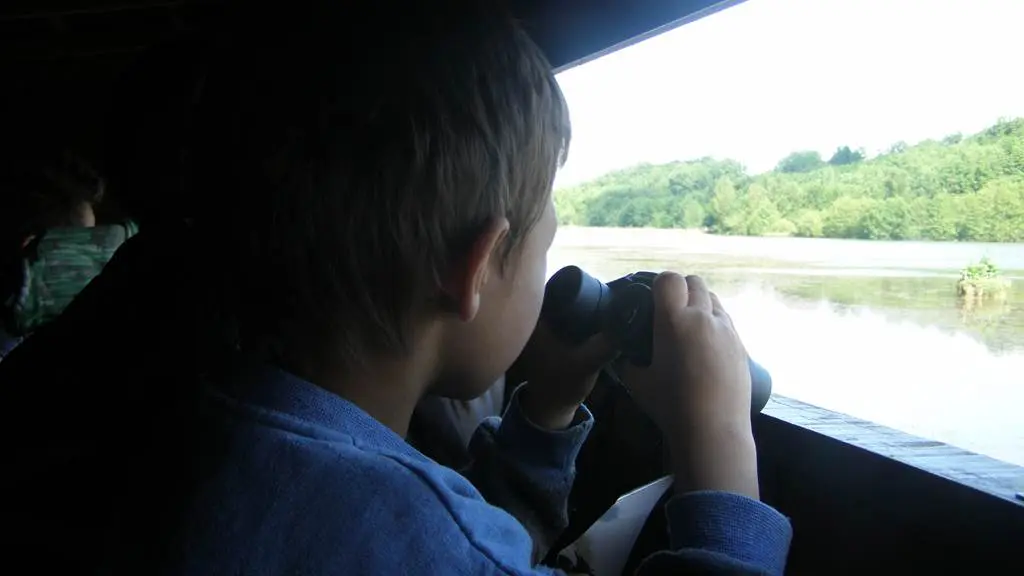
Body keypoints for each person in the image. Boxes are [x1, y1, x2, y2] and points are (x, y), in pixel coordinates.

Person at [110, 1, 793, 574]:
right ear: (475, 266)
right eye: (542, 247)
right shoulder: (418, 540)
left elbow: (466, 539)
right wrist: (722, 442)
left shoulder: (184, 418)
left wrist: (547, 411)